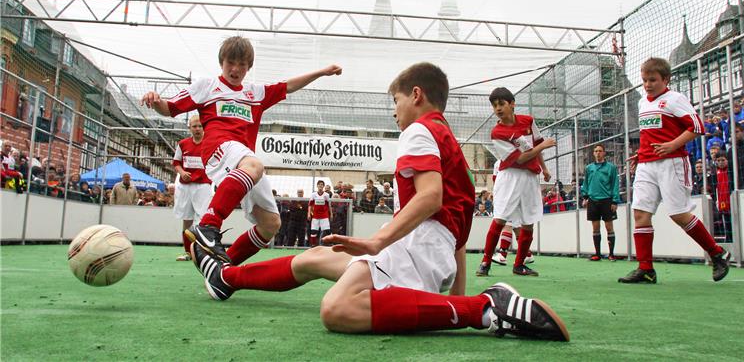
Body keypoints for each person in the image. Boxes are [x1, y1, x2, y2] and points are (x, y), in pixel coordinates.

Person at [188, 62, 569, 341]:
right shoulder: (447, 140)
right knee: (314, 258)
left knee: (337, 309)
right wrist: (453, 291)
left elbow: (431, 198)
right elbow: (457, 237)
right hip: (428, 252)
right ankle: (224, 278)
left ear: (416, 95)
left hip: (416, 248)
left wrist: (378, 241)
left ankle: (486, 309)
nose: (394, 109)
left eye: (396, 100)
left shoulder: (420, 130)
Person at [140, 35, 341, 266]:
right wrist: (155, 100)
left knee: (271, 224)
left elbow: (289, 85)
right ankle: (208, 224)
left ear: (249, 67)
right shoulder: (207, 86)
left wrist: (322, 72)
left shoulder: (255, 93)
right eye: (230, 63)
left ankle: (223, 271)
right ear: (221, 62)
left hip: (244, 161)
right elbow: (169, 108)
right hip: (218, 149)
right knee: (254, 165)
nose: (235, 69)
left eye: (242, 65)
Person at [620, 57, 729, 284]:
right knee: (640, 213)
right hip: (647, 165)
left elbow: (697, 127)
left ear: (665, 79)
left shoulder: (675, 99)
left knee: (679, 214)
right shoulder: (643, 103)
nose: (648, 85)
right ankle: (646, 268)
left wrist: (673, 144)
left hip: (673, 162)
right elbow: (651, 134)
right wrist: (640, 154)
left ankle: (716, 253)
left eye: (653, 80)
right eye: (644, 80)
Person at [476, 87, 555, 277]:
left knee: (529, 221)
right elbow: (519, 159)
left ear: (512, 104)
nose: (498, 108)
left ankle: (519, 265)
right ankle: (485, 262)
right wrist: (543, 146)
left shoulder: (528, 121)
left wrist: (544, 168)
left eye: (501, 104)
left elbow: (535, 145)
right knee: (501, 218)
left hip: (530, 177)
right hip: (510, 175)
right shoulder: (497, 132)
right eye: (494, 105)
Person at [172, 115, 214, 261]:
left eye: (200, 126)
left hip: (203, 186)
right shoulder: (183, 144)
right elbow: (176, 162)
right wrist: (182, 173)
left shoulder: (210, 143)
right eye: (194, 126)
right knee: (187, 219)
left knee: (203, 219)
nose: (197, 129)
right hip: (185, 188)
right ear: (189, 127)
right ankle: (187, 252)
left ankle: (203, 252)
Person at [581, 144, 622, 261]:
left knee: (609, 227)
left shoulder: (611, 168)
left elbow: (615, 184)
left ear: (604, 153)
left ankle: (611, 254)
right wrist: (585, 197)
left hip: (607, 200)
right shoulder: (589, 168)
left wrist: (614, 200)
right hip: (593, 201)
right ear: (593, 153)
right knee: (595, 228)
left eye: (600, 151)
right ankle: (597, 254)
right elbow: (586, 183)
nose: (598, 153)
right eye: (596, 151)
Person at [308, 180, 332, 247]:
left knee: (327, 230)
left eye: (322, 184)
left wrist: (331, 214)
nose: (320, 186)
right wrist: (309, 214)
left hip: (324, 215)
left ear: (323, 186)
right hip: (315, 216)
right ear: (317, 186)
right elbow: (310, 205)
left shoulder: (326, 195)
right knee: (313, 231)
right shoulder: (313, 195)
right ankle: (313, 245)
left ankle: (330, 243)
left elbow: (329, 205)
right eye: (319, 184)